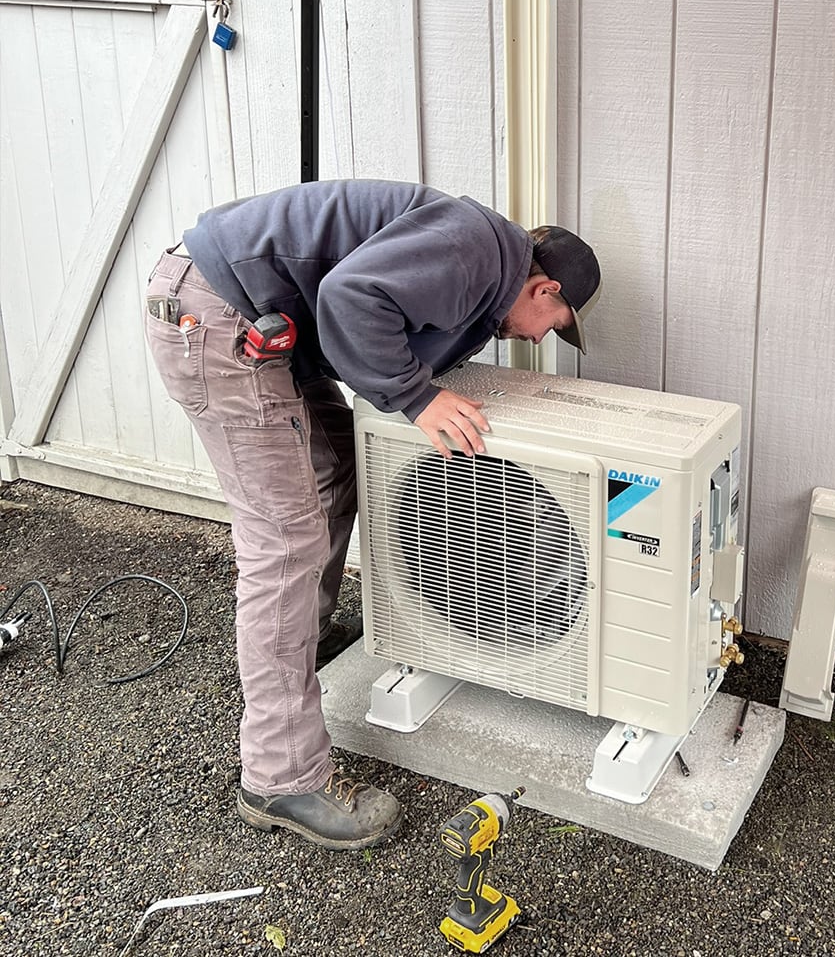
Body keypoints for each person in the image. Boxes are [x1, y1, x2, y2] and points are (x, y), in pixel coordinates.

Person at [143, 180, 601, 851]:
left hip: (250, 315)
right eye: (553, 326)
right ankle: (280, 775)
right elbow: (349, 297)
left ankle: (303, 634)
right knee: (285, 543)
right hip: (217, 316)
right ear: (545, 290)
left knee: (335, 471)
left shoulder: (480, 262)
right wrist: (417, 398)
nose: (539, 340)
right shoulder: (479, 251)